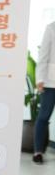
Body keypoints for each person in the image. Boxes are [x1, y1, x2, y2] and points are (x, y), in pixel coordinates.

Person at [33, 20, 55, 164]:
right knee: (44, 116)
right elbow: (43, 55)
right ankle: (38, 151)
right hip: (50, 82)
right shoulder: (51, 27)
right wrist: (40, 79)